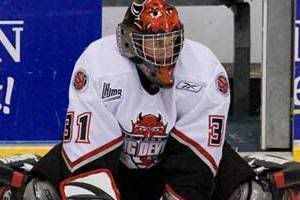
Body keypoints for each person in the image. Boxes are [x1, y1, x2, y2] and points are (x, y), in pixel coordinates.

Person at [0, 0, 260, 199]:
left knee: (252, 192)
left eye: (170, 42)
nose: (164, 52)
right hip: (114, 167)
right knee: (39, 191)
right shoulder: (99, 65)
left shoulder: (204, 69)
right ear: (128, 41)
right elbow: (89, 166)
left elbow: (195, 168)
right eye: (153, 43)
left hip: (170, 166)